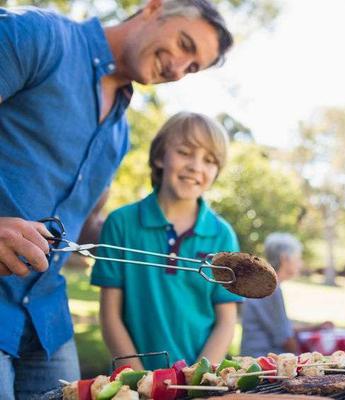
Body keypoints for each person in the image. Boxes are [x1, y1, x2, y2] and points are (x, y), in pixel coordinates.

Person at [0, 1, 233, 395]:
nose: (178, 69)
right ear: (153, 8)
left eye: (192, 67)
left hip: (47, 323)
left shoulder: (118, 134)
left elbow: (83, 223)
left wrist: (138, 239)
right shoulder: (38, 37)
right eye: (183, 43)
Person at [90, 112, 241, 370]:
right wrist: (138, 380)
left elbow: (226, 321)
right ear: (160, 156)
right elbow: (110, 315)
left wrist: (197, 379)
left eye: (209, 160)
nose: (196, 166)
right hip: (134, 381)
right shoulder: (121, 223)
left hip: (197, 381)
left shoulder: (222, 235)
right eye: (185, 152)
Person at [241, 233, 333, 357]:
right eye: (298, 258)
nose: (300, 264)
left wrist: (316, 326)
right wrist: (310, 357)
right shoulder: (269, 288)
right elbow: (285, 340)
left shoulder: (264, 283)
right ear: (285, 258)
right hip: (262, 363)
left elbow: (283, 328)